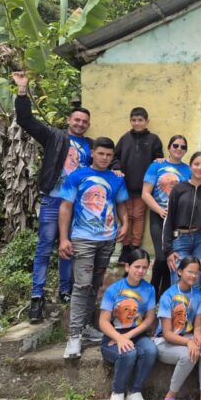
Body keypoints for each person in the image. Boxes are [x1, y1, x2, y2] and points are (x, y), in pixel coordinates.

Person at [13, 71, 92, 321]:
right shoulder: (54, 136)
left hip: (75, 204)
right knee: (45, 247)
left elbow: (107, 161)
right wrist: (22, 90)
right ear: (69, 120)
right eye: (77, 120)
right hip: (52, 200)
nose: (80, 124)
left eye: (84, 121)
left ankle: (65, 291)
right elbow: (25, 120)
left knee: (69, 248)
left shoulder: (91, 145)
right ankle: (37, 296)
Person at [58, 137, 129, 358]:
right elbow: (65, 207)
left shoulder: (116, 179)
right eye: (101, 154)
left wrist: (125, 223)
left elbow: (121, 204)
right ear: (93, 153)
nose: (105, 158)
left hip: (107, 240)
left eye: (109, 155)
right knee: (82, 285)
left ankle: (87, 326)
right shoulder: (77, 176)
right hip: (83, 239)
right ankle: (74, 336)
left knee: (95, 284)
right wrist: (63, 238)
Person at [98, 249, 157, 400]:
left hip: (137, 334)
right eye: (137, 266)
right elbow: (103, 321)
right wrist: (119, 338)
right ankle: (117, 393)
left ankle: (135, 393)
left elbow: (149, 319)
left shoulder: (149, 289)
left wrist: (128, 336)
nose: (140, 271)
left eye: (144, 267)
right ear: (127, 266)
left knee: (151, 351)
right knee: (128, 352)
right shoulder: (113, 289)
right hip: (113, 336)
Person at [156, 256, 201, 400]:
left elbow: (198, 325)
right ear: (180, 272)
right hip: (165, 343)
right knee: (189, 355)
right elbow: (167, 334)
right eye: (190, 272)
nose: (193, 275)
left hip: (188, 337)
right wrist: (189, 342)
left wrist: (198, 335)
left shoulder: (198, 294)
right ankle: (170, 397)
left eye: (196, 272)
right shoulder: (168, 295)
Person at [141, 135, 191, 300]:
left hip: (177, 221)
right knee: (162, 257)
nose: (178, 149)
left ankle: (166, 295)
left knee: (174, 258)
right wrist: (160, 211)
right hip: (158, 216)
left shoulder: (188, 170)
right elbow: (145, 194)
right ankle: (153, 292)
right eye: (175, 145)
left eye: (183, 147)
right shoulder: (156, 166)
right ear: (169, 147)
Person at [112, 107, 163, 263]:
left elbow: (159, 158)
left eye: (140, 120)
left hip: (143, 188)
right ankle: (125, 247)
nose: (137, 123)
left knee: (138, 216)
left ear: (146, 121)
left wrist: (159, 159)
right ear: (130, 121)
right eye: (134, 120)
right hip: (125, 185)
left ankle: (135, 246)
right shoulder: (124, 139)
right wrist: (116, 168)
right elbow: (115, 157)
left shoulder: (153, 139)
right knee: (126, 216)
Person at [163, 152, 201, 287]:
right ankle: (177, 302)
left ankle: (193, 302)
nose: (199, 168)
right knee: (178, 280)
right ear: (190, 166)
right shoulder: (178, 188)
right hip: (180, 240)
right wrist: (168, 250)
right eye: (196, 164)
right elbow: (169, 219)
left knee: (195, 280)